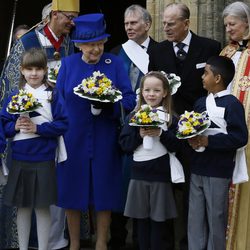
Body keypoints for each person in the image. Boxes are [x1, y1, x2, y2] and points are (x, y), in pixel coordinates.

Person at [0, 1, 79, 249]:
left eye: (75, 17)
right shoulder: (27, 43)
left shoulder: (70, 43)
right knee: (24, 204)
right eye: (69, 16)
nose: (73, 23)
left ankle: (54, 242)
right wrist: (14, 125)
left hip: (50, 143)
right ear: (54, 15)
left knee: (48, 200)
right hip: (24, 149)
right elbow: (11, 87)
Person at [56, 13, 136, 250]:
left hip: (104, 138)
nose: (97, 49)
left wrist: (110, 105)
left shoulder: (115, 63)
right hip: (73, 139)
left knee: (104, 190)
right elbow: (58, 102)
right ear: (79, 44)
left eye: (100, 43)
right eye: (91, 44)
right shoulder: (68, 65)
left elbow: (130, 99)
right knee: (72, 191)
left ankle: (102, 242)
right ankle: (74, 244)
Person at [147, 3, 221, 249]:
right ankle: (165, 243)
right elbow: (152, 88)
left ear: (186, 23)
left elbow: (215, 89)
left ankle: (192, 241)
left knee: (193, 189)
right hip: (166, 128)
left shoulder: (210, 47)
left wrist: (196, 122)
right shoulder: (157, 50)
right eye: (164, 23)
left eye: (171, 23)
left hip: (196, 129)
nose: (165, 28)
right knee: (164, 189)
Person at [0, 48, 68, 250]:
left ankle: (44, 248)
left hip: (44, 156)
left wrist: (38, 128)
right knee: (23, 205)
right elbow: (4, 124)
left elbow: (64, 124)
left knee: (42, 205)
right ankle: (22, 248)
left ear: (45, 70)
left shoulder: (52, 95)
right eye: (29, 69)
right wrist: (14, 126)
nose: (34, 73)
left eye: (38, 68)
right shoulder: (15, 95)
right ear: (21, 70)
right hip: (20, 156)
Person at [187, 55, 248, 250]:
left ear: (218, 78)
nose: (202, 77)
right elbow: (191, 128)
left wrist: (209, 140)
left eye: (206, 73)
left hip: (218, 169)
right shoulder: (199, 103)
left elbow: (239, 138)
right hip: (197, 166)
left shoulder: (232, 105)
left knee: (216, 217)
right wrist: (191, 139)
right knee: (195, 217)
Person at [109, 5, 158, 249]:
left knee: (144, 185)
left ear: (147, 25)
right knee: (120, 183)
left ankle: (142, 240)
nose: (128, 27)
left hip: (152, 130)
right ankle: (117, 237)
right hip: (121, 125)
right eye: (126, 23)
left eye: (134, 23)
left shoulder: (161, 51)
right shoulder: (117, 52)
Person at [119, 71, 181, 250]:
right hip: (138, 176)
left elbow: (178, 145)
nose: (151, 94)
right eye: (147, 90)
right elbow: (124, 145)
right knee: (141, 223)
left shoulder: (171, 118)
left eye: (156, 90)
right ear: (141, 92)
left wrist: (161, 133)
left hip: (161, 176)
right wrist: (139, 135)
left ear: (165, 93)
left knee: (159, 223)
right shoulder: (132, 117)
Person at [220, 2, 250, 249]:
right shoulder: (225, 53)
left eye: (233, 24)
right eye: (226, 25)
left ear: (247, 24)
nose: (228, 29)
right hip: (225, 132)